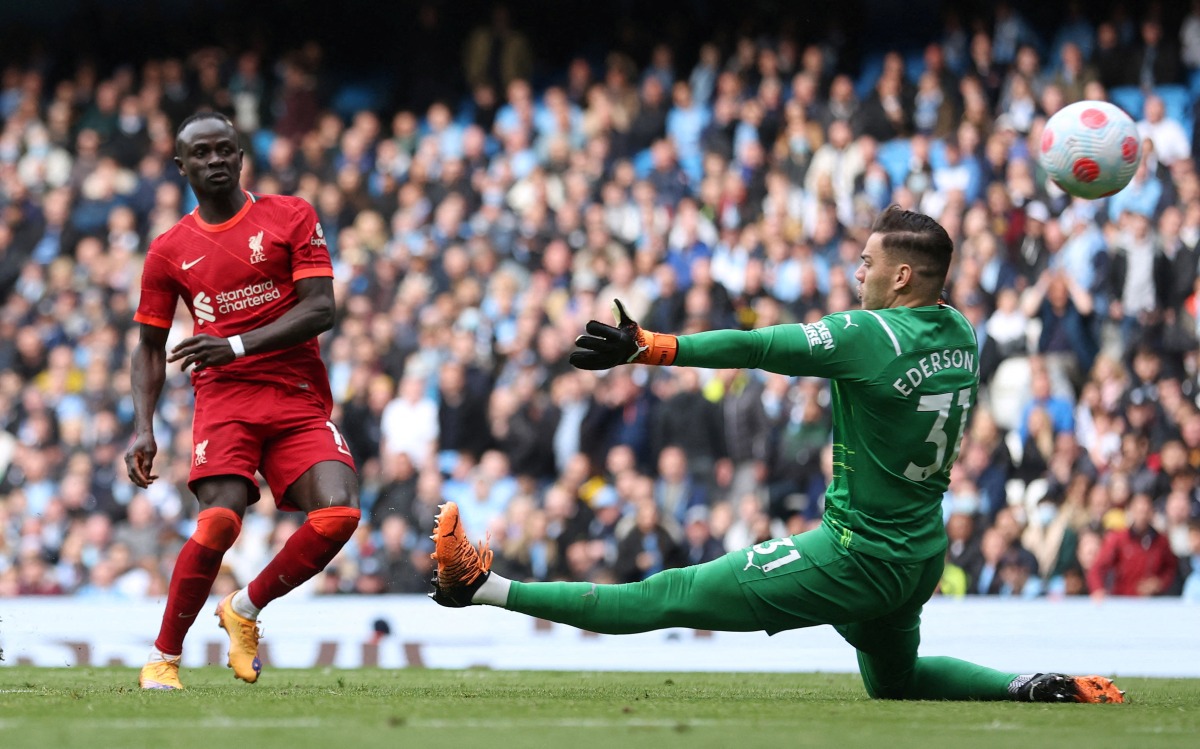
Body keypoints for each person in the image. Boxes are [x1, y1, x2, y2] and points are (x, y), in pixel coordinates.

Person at [429, 206, 1124, 704]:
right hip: (917, 556)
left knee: (667, 593)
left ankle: (481, 585)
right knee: (897, 684)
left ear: (904, 275)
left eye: (869, 263)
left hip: (855, 554)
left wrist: (654, 347)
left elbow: (760, 346)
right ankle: (1030, 684)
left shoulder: (869, 334)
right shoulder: (960, 331)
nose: (858, 273)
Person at [127, 112, 360, 690]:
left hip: (297, 396)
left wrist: (233, 343)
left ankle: (245, 608)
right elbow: (148, 348)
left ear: (240, 156)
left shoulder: (291, 215)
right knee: (218, 524)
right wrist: (143, 427)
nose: (214, 161)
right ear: (181, 166)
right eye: (201, 153)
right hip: (225, 401)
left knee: (339, 514)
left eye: (224, 150)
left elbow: (321, 309)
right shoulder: (168, 251)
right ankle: (163, 658)